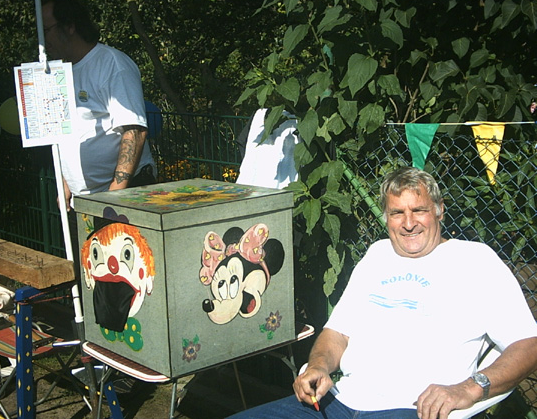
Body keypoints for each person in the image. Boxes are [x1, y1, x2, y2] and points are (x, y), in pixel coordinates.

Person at [228, 166, 537, 419]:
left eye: (419, 210)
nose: (409, 223)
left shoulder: (475, 260)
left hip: (412, 409)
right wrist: (319, 366)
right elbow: (337, 333)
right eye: (397, 213)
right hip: (336, 402)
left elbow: (528, 344)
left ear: (439, 210)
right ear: (387, 216)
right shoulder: (378, 255)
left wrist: (468, 389)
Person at [41, 0, 156, 213]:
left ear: (70, 26)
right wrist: (67, 184)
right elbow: (71, 132)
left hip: (122, 197)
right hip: (85, 200)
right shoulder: (61, 73)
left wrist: (114, 196)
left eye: (47, 30)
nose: (43, 39)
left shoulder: (112, 64)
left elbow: (135, 130)